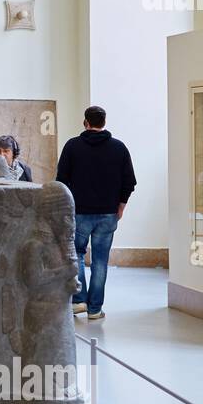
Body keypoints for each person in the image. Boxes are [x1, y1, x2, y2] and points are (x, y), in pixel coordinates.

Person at [56, 105, 136, 320]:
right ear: (104, 122)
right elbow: (130, 181)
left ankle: (79, 300)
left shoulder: (72, 146)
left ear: (86, 122)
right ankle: (95, 309)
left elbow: (61, 180)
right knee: (100, 260)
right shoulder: (119, 148)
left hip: (79, 212)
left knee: (78, 255)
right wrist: (121, 205)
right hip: (108, 213)